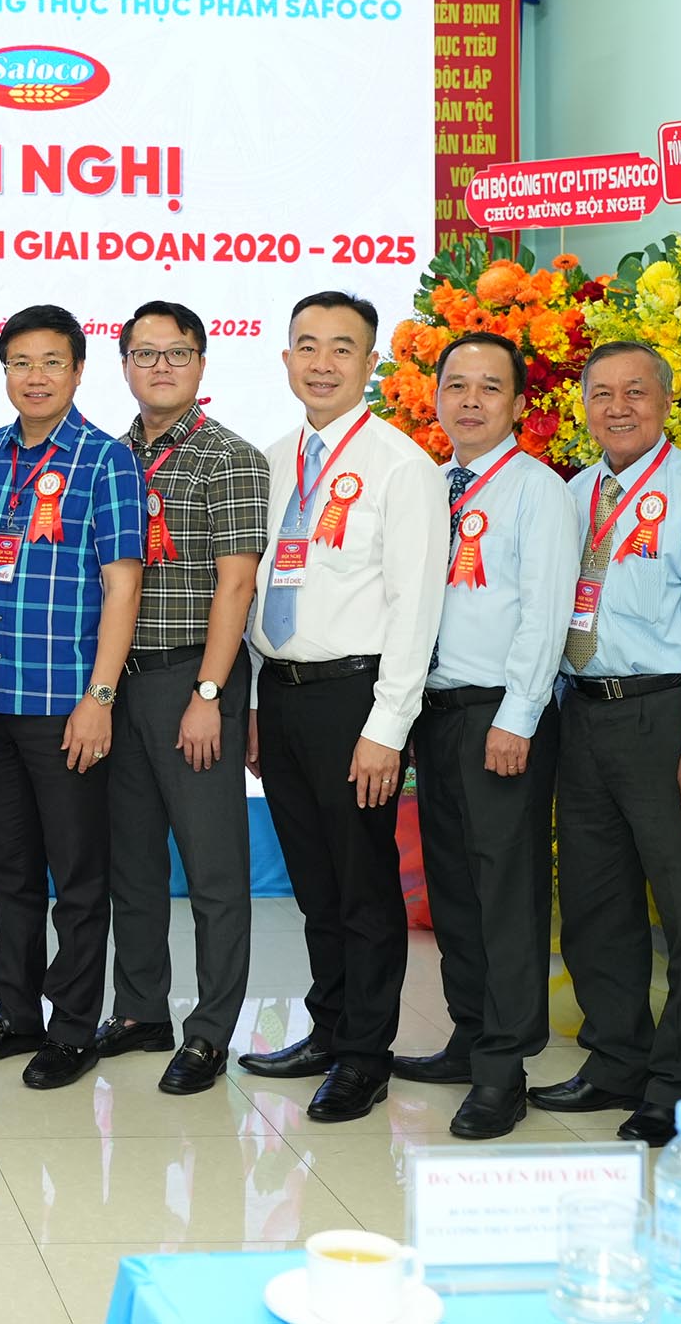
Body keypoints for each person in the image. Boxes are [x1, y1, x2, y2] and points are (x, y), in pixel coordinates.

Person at [240, 291, 446, 1124]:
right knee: (315, 885)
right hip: (283, 695)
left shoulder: (402, 466)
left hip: (357, 698)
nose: (322, 362)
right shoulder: (271, 460)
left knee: (363, 885)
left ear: (370, 362)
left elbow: (416, 608)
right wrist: (256, 701)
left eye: (342, 347)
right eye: (307, 345)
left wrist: (386, 728)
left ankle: (366, 1054)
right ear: (286, 357)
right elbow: (259, 588)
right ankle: (327, 1030)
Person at [530, 341, 681, 1147]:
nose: (618, 407)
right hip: (582, 713)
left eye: (636, 392)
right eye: (602, 394)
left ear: (666, 401)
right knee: (594, 904)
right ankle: (617, 1056)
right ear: (584, 405)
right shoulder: (574, 493)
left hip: (666, 716)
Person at [0, 304, 145, 1091]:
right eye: (21, 363)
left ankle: (71, 1028)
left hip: (67, 706)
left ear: (78, 370)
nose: (35, 377)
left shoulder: (106, 460)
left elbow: (123, 586)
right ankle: (16, 1013)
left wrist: (100, 696)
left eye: (52, 362)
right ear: (4, 370)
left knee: (78, 877)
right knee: (9, 870)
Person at [394, 332, 571, 1140]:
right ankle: (469, 1035)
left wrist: (519, 714)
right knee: (456, 886)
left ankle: (505, 1067)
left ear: (519, 403)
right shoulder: (429, 487)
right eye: (456, 385)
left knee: (506, 893)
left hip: (501, 712)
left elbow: (546, 610)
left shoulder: (538, 491)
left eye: (489, 387)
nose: (470, 400)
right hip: (435, 710)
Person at [100, 301, 268, 1098]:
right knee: (130, 862)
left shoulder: (229, 457)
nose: (160, 366)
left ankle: (209, 1030)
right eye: (145, 353)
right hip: (119, 682)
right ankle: (141, 1009)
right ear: (124, 365)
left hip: (191, 681)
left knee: (213, 869)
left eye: (177, 352)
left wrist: (209, 691)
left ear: (201, 362)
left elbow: (237, 586)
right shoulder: (110, 456)